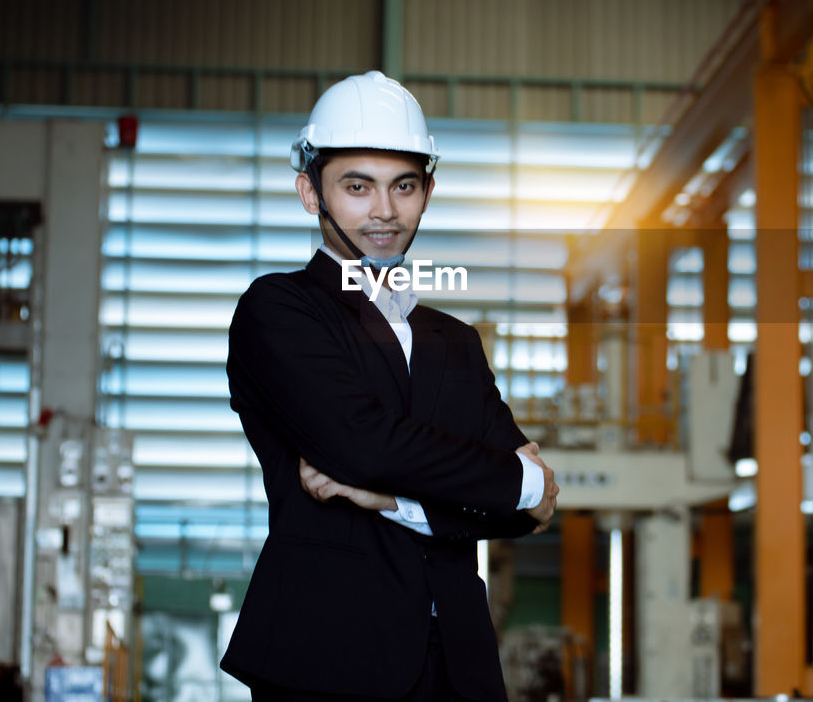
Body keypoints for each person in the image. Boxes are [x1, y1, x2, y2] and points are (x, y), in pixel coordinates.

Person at [220, 71, 560, 701]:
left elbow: (528, 509)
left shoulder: (453, 339)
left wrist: (388, 500)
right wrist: (512, 478)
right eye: (357, 186)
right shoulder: (280, 311)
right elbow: (365, 445)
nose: (384, 211)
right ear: (309, 192)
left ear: (427, 193)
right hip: (329, 662)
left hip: (460, 669)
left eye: (403, 186)